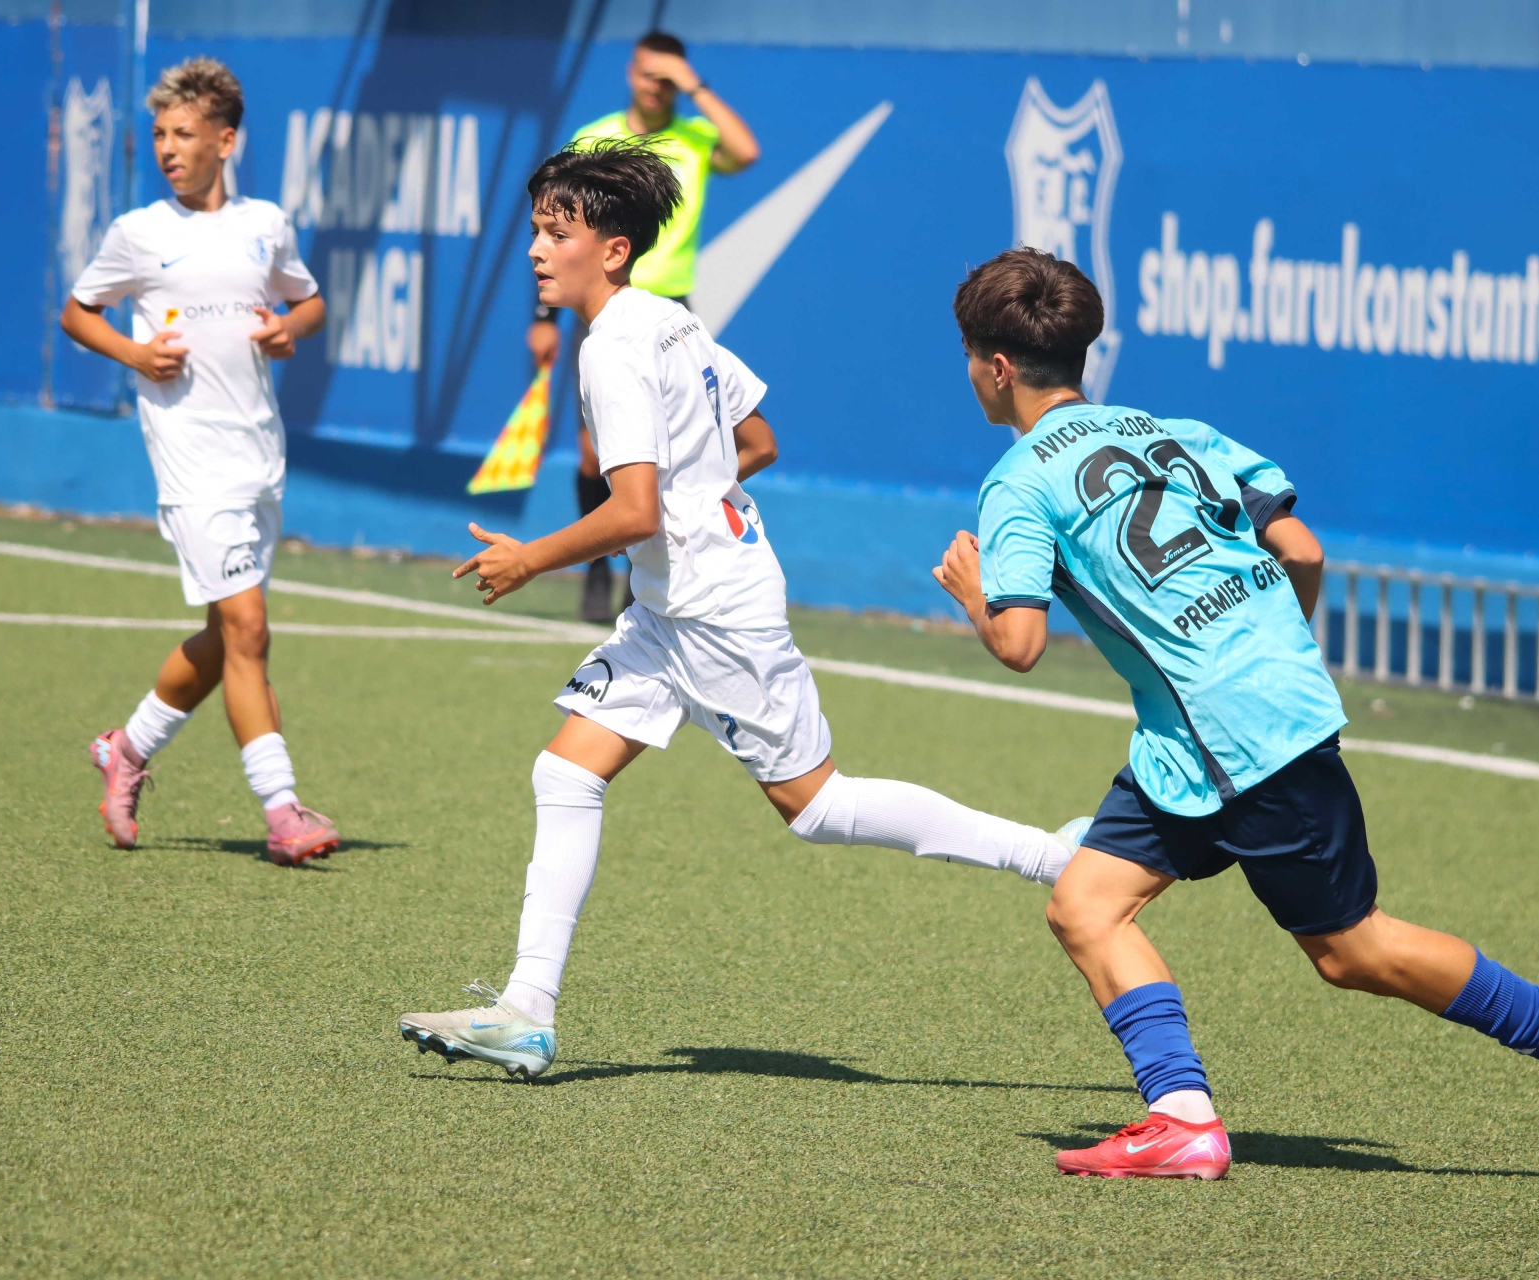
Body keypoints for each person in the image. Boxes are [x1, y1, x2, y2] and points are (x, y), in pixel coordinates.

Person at [932, 247, 1539, 1179]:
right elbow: (1302, 551)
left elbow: (1020, 642)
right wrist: (1264, 653)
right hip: (1204, 738)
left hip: (1233, 738)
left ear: (996, 367)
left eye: (967, 357)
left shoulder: (1019, 480)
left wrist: (974, 594)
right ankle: (1182, 1119)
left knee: (1354, 950)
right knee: (1085, 905)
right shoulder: (1178, 432)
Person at [398, 143, 1087, 1081]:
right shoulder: (672, 320)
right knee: (565, 772)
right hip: (674, 604)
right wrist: (702, 493)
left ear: (613, 250)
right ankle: (526, 1010)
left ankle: (1053, 857)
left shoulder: (612, 349)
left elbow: (633, 512)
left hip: (714, 609)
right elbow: (756, 440)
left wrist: (531, 558)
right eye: (536, 233)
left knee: (818, 806)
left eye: (557, 234)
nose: (536, 251)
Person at [60, 57, 341, 866]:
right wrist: (135, 353)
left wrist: (290, 329)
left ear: (226, 140)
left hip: (259, 455)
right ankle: (283, 812)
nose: (167, 149)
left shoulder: (266, 224)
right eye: (159, 134)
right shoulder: (139, 232)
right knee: (249, 629)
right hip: (189, 461)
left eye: (183, 134)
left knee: (224, 639)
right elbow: (78, 312)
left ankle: (127, 748)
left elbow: (310, 301)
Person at [526, 30, 761, 624]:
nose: (655, 86)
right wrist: (544, 316)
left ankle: (638, 566)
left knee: (674, 450)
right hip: (601, 311)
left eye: (666, 77)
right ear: (629, 73)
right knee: (595, 455)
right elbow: (558, 230)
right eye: (647, 73)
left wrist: (693, 85)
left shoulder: (694, 137)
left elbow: (746, 151)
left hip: (668, 304)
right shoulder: (593, 137)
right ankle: (601, 566)